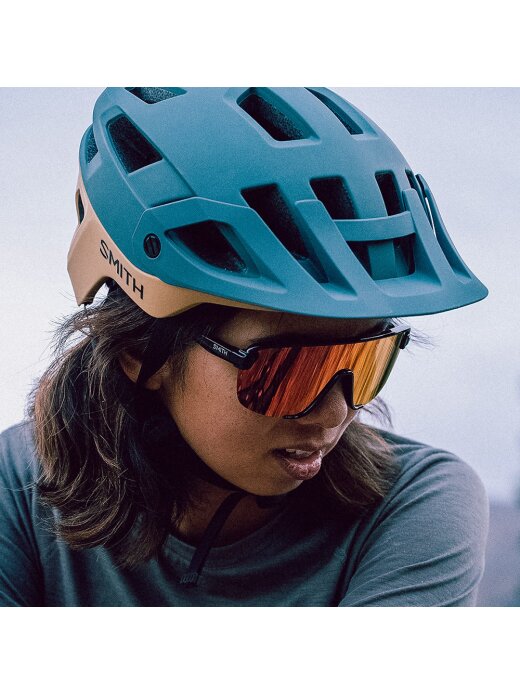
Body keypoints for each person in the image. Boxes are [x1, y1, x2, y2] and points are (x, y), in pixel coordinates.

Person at [0, 87, 489, 606]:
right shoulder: (20, 487)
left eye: (367, 361)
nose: (335, 414)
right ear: (140, 352)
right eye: (287, 372)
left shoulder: (418, 503)